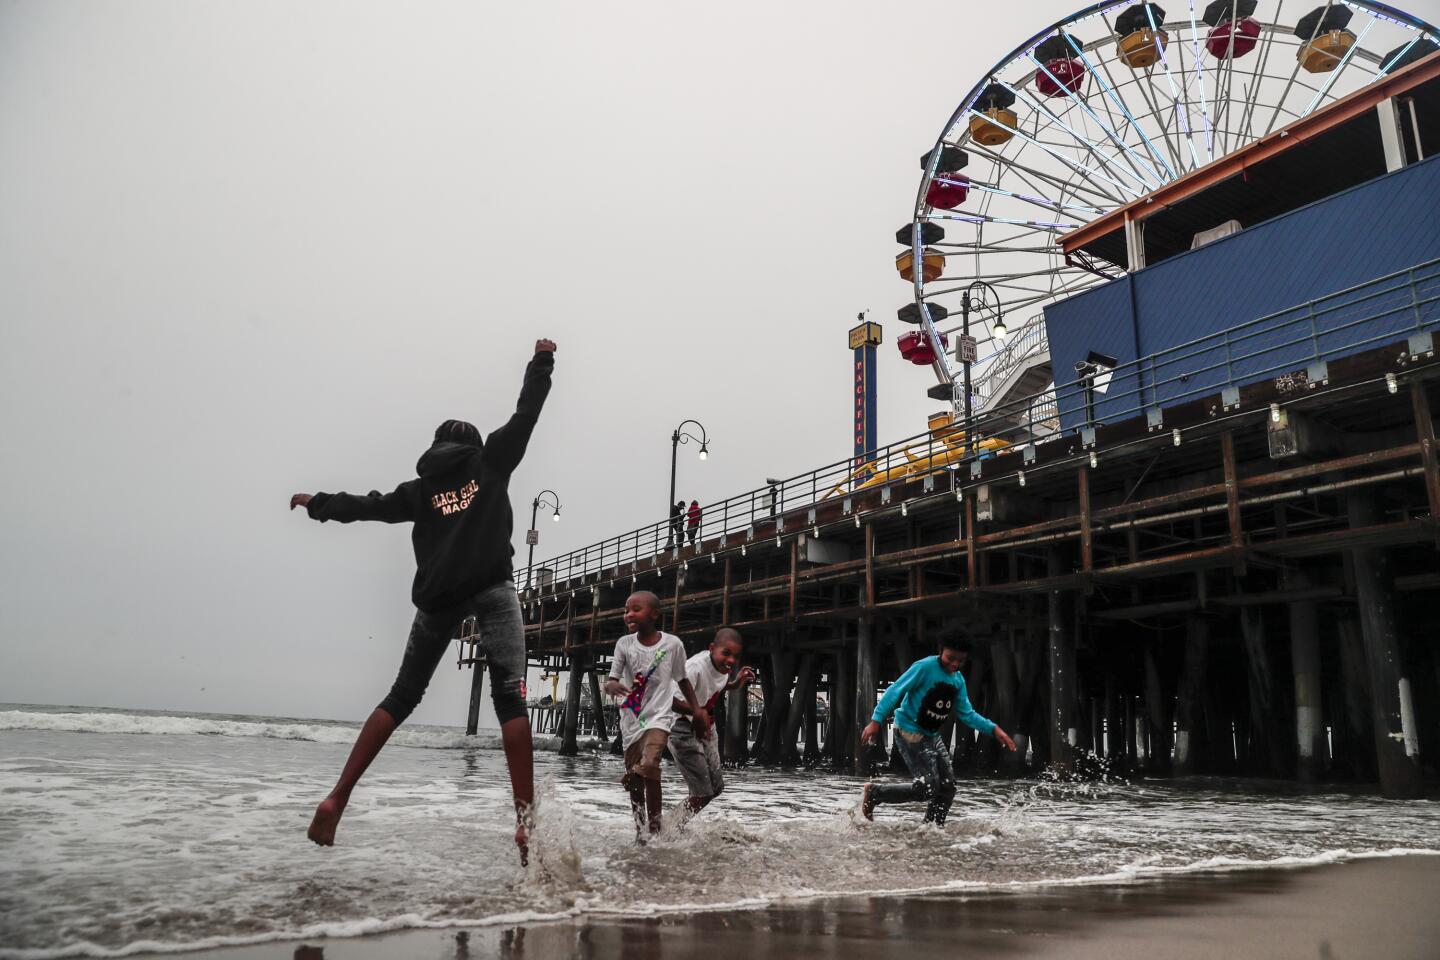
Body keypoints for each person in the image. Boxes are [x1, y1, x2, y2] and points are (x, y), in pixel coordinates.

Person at [288, 338, 556, 862]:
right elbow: (527, 413)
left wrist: (317, 504)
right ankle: (524, 823)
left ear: (435, 449)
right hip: (493, 586)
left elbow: (368, 507)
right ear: (474, 445)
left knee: (402, 695)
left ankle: (337, 797)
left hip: (437, 597)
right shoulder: (491, 462)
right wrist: (542, 361)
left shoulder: (420, 489)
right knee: (511, 698)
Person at [859, 634, 1016, 826]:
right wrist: (876, 720)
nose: (955, 664)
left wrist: (993, 729)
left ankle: (933, 828)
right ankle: (875, 793)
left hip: (931, 735)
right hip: (910, 732)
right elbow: (896, 690)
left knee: (948, 787)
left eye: (960, 661)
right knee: (926, 788)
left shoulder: (957, 680)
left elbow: (967, 714)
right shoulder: (924, 667)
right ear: (940, 650)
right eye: (951, 658)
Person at [604, 591, 703, 839]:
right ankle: (641, 832)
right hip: (631, 719)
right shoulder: (624, 644)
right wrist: (612, 685)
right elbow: (611, 680)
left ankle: (656, 827)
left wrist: (697, 709)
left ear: (655, 613)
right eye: (626, 610)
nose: (629, 614)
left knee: (650, 763)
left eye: (636, 609)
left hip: (659, 716)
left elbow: (682, 680)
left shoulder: (672, 645)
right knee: (638, 784)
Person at [669, 627, 754, 818]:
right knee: (702, 793)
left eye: (735, 655)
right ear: (712, 648)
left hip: (707, 726)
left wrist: (737, 683)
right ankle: (667, 829)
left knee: (716, 788)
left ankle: (672, 828)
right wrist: (697, 712)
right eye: (726, 653)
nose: (731, 660)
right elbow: (669, 700)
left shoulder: (724, 667)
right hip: (681, 728)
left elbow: (716, 687)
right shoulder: (695, 668)